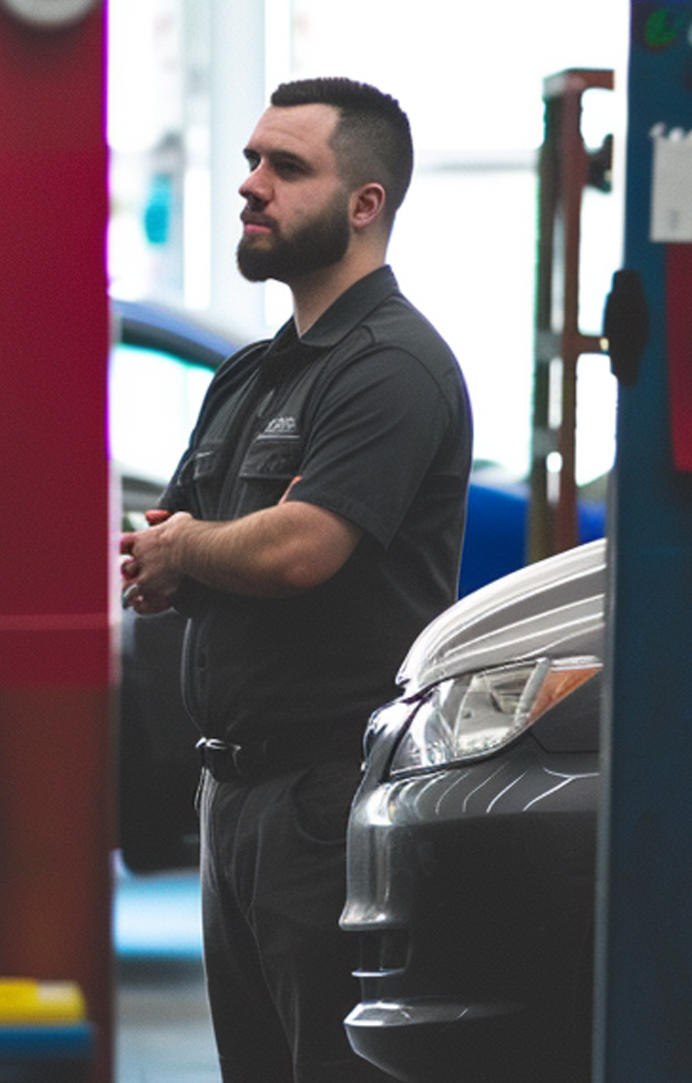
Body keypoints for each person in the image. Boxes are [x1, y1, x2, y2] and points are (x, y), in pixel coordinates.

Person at [119, 77, 472, 1083]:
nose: (252, 185)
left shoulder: (391, 367)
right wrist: (180, 554)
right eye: (251, 161)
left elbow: (300, 549)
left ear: (365, 204)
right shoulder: (253, 374)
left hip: (326, 799)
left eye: (287, 167)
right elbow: (170, 536)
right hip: (231, 797)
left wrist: (191, 552)